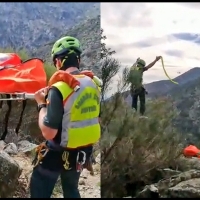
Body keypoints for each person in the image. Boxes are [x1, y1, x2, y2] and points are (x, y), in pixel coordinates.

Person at [30, 36, 101, 198]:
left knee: (39, 185)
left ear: (58, 62)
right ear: (78, 60)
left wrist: (41, 104)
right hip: (82, 152)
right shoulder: (94, 85)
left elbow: (48, 132)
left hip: (58, 152)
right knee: (71, 189)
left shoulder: (59, 88)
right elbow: (96, 118)